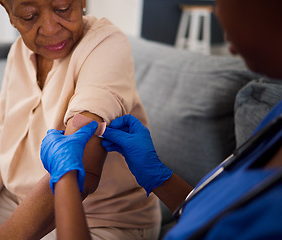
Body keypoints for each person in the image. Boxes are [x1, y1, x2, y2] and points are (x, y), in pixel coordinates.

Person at [40, 0, 282, 239]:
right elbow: (215, 215)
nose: (217, 11)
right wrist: (161, 178)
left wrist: (65, 179)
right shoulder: (275, 119)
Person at [0, 0, 161, 239]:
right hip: (16, 198)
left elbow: (81, 165)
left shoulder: (106, 45)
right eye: (29, 16)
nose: (49, 28)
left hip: (104, 217)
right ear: (9, 13)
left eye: (63, 8)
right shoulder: (19, 52)